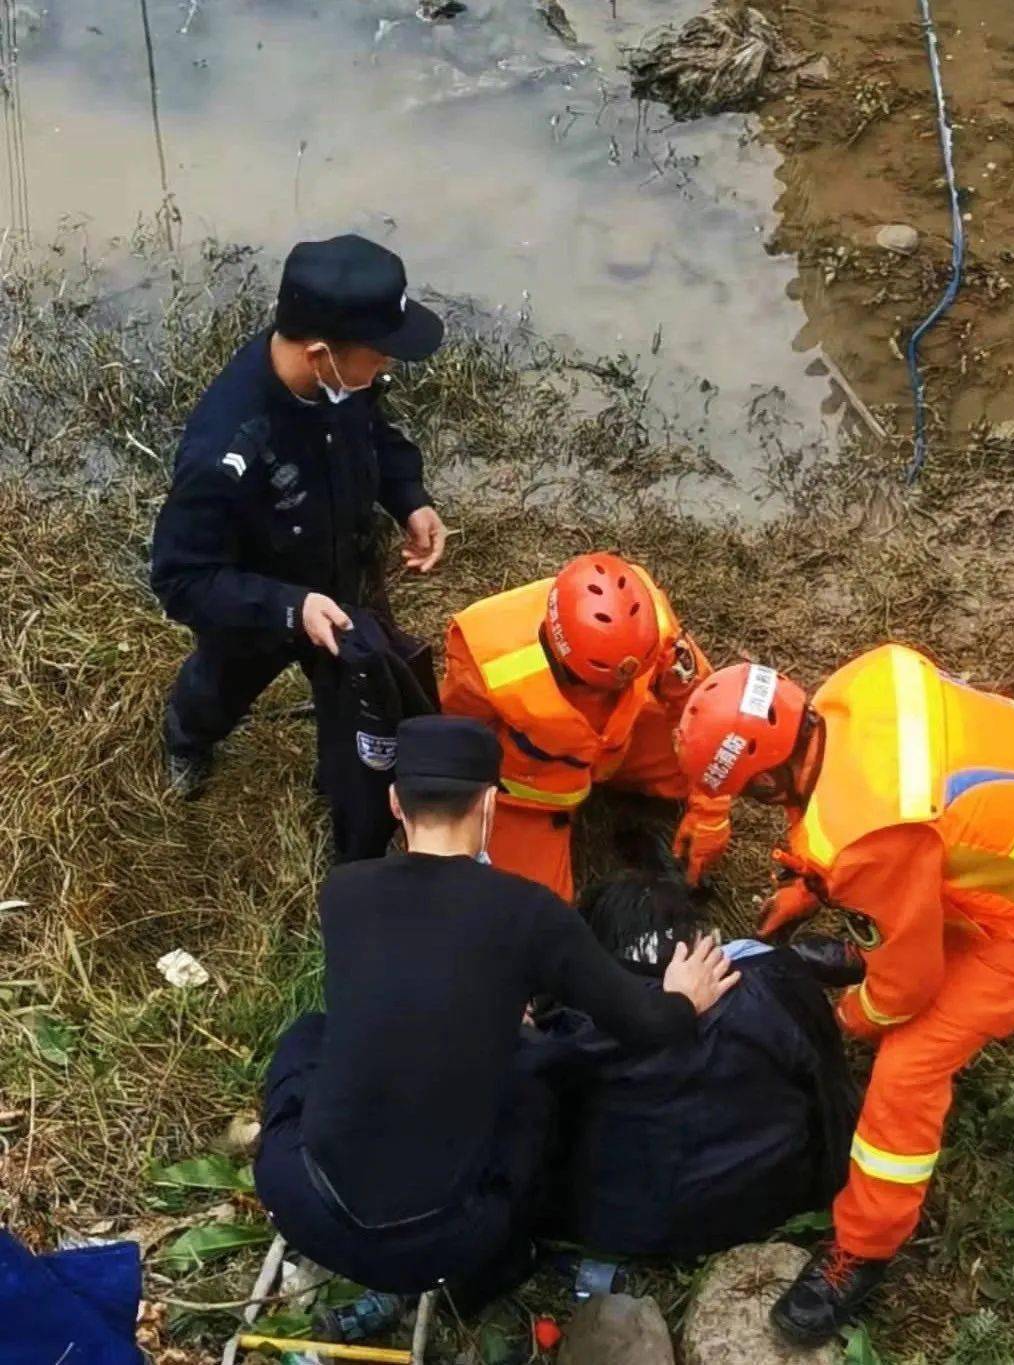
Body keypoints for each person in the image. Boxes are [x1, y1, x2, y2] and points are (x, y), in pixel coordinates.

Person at [253, 715, 740, 1306]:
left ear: (395, 803)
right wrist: (684, 998)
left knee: (309, 1033)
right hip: (436, 1247)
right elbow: (645, 1028)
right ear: (489, 804)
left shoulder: (345, 890)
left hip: (302, 1206)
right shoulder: (530, 914)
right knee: (534, 1085)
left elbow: (403, 988)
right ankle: (505, 1262)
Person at [675, 646, 1014, 1346]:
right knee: (904, 909)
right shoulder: (858, 682)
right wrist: (813, 887)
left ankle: (863, 1249)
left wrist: (851, 1017)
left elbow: (911, 986)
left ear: (768, 779)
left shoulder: (868, 839)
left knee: (907, 1066)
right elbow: (907, 819)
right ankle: (877, 936)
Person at [150, 234, 447, 858]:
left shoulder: (347, 381)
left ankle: (341, 776)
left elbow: (378, 434)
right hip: (259, 611)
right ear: (320, 355)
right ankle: (187, 738)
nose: (388, 367)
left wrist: (409, 497)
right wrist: (289, 609)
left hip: (347, 578)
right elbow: (181, 578)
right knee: (218, 688)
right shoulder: (224, 447)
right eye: (381, 356)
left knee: (353, 690)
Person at [522, 863, 859, 1257]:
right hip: (764, 1206)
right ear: (698, 940)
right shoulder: (774, 987)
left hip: (610, 1227)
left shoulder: (562, 1027)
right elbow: (831, 1095)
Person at [439, 552, 732, 900]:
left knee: (702, 760)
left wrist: (710, 812)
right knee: (534, 907)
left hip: (621, 742)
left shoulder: (651, 623)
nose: (615, 695)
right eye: (598, 687)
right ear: (559, 660)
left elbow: (705, 710)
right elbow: (456, 744)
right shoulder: (486, 658)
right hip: (534, 789)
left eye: (629, 679)